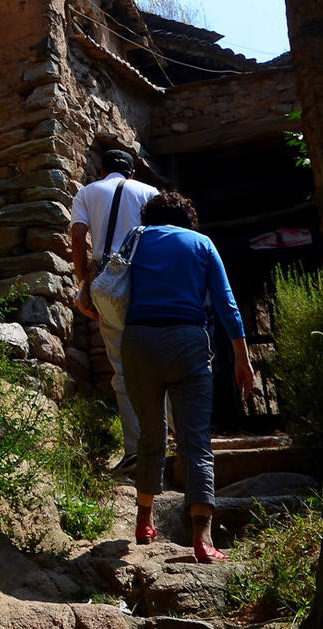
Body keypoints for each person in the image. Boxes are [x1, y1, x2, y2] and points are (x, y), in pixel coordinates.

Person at [122, 190, 256, 563]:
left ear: (151, 215)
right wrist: (242, 358)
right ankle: (203, 539)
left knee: (150, 435)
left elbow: (113, 284)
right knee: (195, 442)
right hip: (188, 342)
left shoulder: (136, 238)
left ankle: (144, 521)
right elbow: (226, 304)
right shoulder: (202, 243)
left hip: (139, 341)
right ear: (187, 218)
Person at [71, 148, 157, 474]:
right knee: (158, 358)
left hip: (108, 282)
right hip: (147, 279)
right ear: (131, 173)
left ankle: (136, 451)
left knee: (122, 367)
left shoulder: (87, 192)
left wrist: (82, 282)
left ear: (102, 170)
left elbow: (78, 235)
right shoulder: (150, 192)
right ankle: (170, 440)